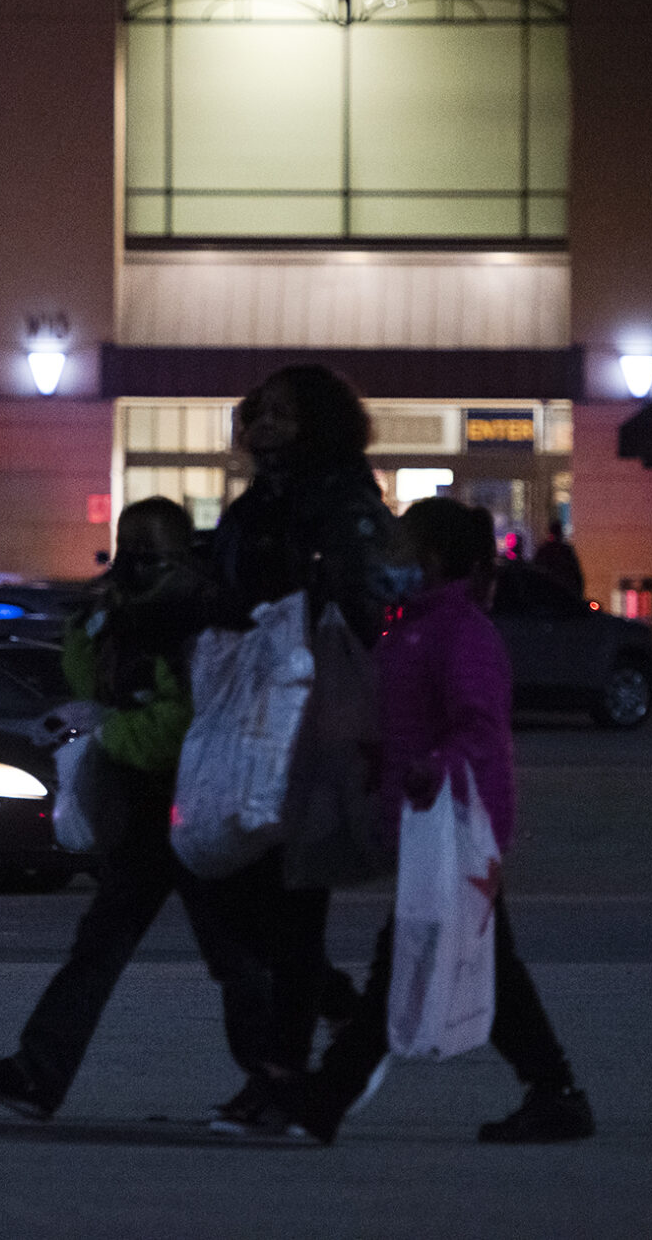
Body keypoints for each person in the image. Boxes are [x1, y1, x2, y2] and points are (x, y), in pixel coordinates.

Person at [0, 496, 303, 1122]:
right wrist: (88, 629)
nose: (135, 567)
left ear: (180, 556)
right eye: (127, 553)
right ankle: (38, 1074)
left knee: (235, 955)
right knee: (104, 947)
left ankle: (276, 1083)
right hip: (146, 809)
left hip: (196, 804)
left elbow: (182, 722)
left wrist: (110, 731)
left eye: (150, 555)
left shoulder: (200, 617)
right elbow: (91, 685)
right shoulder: (125, 613)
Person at [275, 497, 595, 1145]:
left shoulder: (460, 633)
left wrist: (432, 770)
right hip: (434, 820)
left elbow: (477, 728)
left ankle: (324, 1100)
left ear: (433, 559)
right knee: (481, 963)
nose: (387, 561)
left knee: (404, 958)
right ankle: (554, 1091)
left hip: (458, 822)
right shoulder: (412, 629)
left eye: (399, 548)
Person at [199, 362, 406, 1128]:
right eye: (259, 412)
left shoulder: (343, 503)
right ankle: (328, 1018)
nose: (265, 425)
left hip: (309, 721)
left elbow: (361, 607)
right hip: (246, 715)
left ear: (317, 423)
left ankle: (280, 1074)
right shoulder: (257, 504)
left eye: (282, 413)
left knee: (288, 906)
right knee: (233, 898)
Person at [531, 519, 585, 600]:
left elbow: (535, 571)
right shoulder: (566, 550)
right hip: (566, 594)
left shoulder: (543, 550)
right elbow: (576, 573)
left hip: (547, 594)